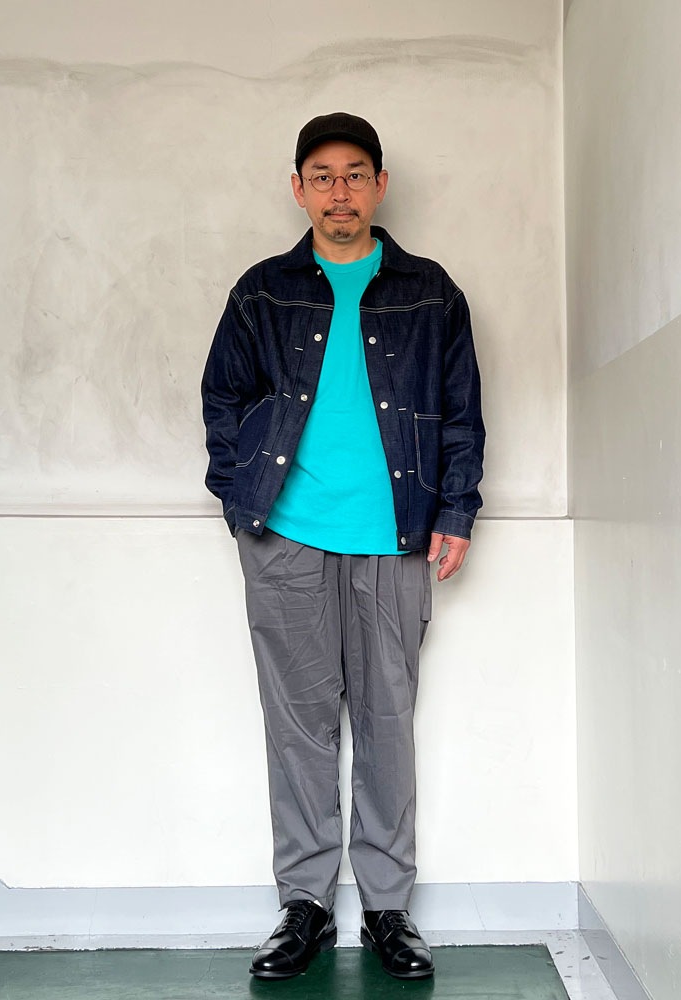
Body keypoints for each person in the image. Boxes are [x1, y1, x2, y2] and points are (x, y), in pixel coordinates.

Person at [201, 112, 484, 981]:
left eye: (355, 174)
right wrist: (240, 498)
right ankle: (307, 906)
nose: (339, 192)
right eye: (321, 176)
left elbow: (463, 414)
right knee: (299, 727)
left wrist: (456, 510)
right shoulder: (262, 291)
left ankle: (389, 909)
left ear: (380, 184)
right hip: (286, 538)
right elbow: (222, 400)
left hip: (396, 540)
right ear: (298, 189)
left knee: (388, 724)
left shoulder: (431, 293)